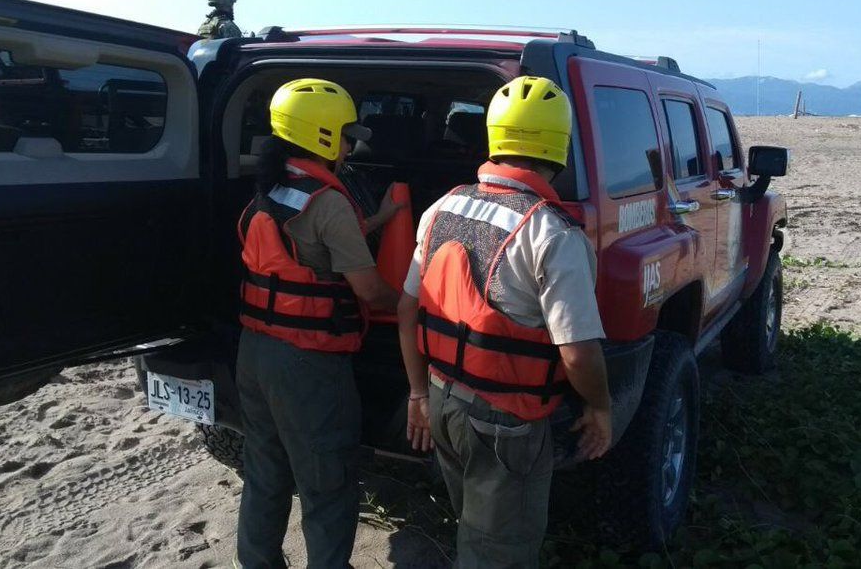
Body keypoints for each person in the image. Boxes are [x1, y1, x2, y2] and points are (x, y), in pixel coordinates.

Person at [396, 76, 613, 568]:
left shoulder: (442, 207)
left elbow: (407, 309)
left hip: (442, 401)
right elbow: (577, 352)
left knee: (474, 529)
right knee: (499, 552)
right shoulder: (552, 233)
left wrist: (417, 395)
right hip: (504, 423)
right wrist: (600, 407)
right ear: (559, 148)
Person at [235, 78, 402, 568]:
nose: (352, 143)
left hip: (255, 352)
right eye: (348, 133)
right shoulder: (327, 202)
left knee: (265, 473)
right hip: (307, 363)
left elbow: (316, 242)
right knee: (326, 485)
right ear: (325, 135)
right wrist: (416, 303)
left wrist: (384, 215)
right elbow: (368, 291)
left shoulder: (272, 186)